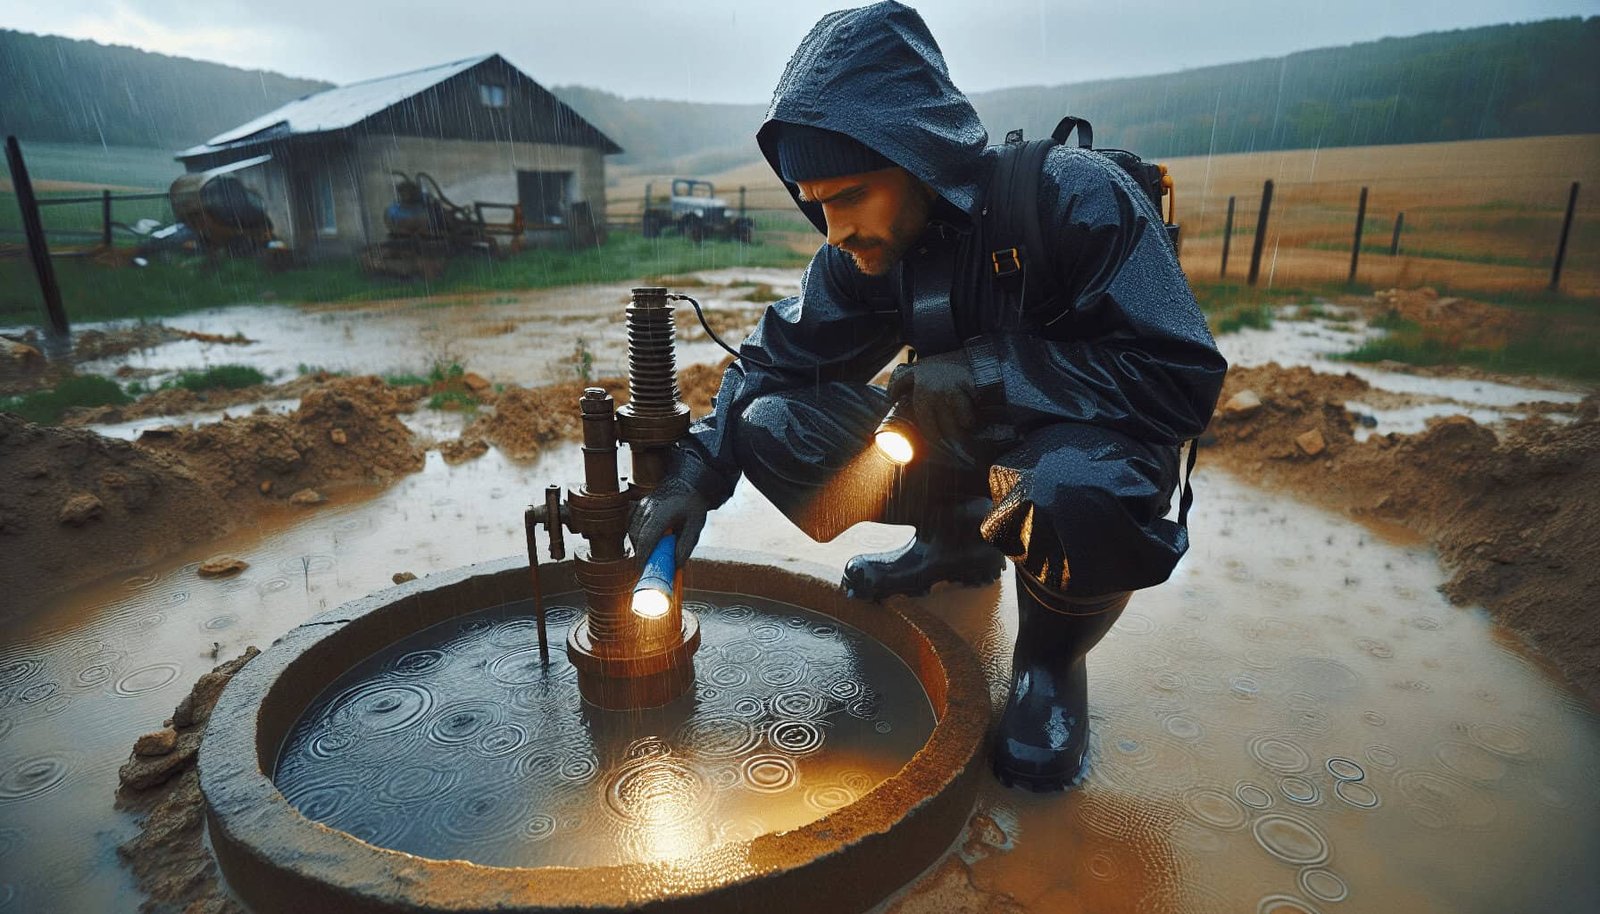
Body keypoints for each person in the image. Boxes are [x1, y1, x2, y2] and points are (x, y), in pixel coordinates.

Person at [629, 1, 1227, 790]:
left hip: (1087, 450)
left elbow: (1183, 380)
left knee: (1060, 489)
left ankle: (1048, 665)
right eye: (815, 202)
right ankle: (956, 545)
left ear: (913, 155)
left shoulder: (1075, 200)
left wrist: (992, 371)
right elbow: (770, 366)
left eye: (847, 196)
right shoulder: (860, 253)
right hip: (964, 446)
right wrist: (696, 476)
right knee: (772, 424)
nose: (832, 228)